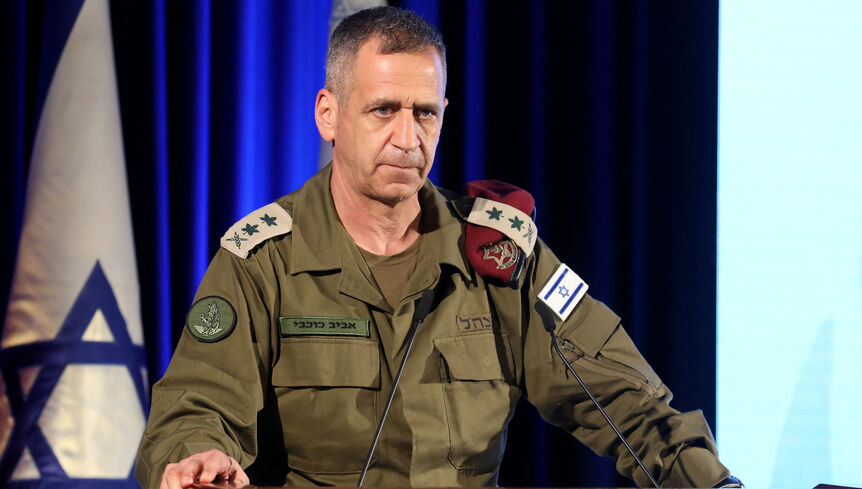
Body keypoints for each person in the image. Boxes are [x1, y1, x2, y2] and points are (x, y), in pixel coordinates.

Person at [135, 7, 741, 489]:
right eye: (383, 110)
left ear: (445, 113)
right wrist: (198, 459)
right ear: (329, 114)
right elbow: (196, 405)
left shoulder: (501, 256)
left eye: (424, 113)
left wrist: (713, 486)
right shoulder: (262, 261)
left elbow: (623, 398)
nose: (407, 137)